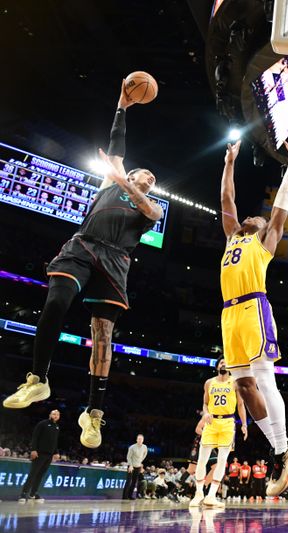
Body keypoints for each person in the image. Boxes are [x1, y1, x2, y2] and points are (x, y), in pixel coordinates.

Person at [3, 81, 163, 449]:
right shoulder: (112, 181)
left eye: (153, 180)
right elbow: (117, 145)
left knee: (103, 336)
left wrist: (127, 181)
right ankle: (37, 379)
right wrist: (122, 106)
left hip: (116, 260)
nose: (150, 180)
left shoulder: (147, 206)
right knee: (57, 301)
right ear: (132, 173)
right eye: (145, 175)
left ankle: (92, 414)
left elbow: (151, 209)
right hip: (83, 246)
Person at [218, 137, 288, 495]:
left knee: (265, 379)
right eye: (249, 215)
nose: (251, 215)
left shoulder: (265, 240)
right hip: (229, 314)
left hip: (254, 307)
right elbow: (227, 199)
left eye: (256, 215)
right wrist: (229, 163)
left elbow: (282, 205)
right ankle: (280, 448)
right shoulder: (231, 238)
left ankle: (282, 451)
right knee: (243, 385)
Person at [190, 358, 248, 509]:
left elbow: (241, 404)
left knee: (222, 461)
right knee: (202, 460)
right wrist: (206, 413)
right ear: (217, 366)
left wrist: (244, 425)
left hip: (228, 423)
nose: (223, 364)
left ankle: (211, 496)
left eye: (226, 362)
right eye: (221, 362)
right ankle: (199, 493)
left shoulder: (236, 382)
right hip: (211, 422)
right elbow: (205, 403)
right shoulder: (209, 382)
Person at [19, 409, 60, 503]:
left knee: (40, 475)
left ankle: (33, 494)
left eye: (57, 414)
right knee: (33, 474)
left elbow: (54, 441)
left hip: (49, 455)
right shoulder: (43, 424)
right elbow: (35, 437)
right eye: (54, 414)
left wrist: (56, 452)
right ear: (50, 414)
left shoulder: (57, 427)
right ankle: (23, 494)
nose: (55, 415)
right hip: (40, 453)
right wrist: (33, 449)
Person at [123, 434, 148, 500]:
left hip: (138, 466)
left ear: (143, 440)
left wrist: (140, 461)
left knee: (134, 482)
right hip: (131, 466)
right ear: (136, 439)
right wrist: (130, 465)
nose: (140, 440)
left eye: (141, 439)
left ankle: (130, 495)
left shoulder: (145, 447)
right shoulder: (132, 447)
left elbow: (145, 454)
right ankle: (125, 496)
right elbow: (128, 457)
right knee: (129, 481)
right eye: (139, 439)